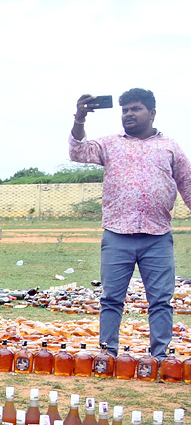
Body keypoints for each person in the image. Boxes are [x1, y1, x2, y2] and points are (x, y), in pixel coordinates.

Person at [70, 88, 191, 360]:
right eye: (125, 110)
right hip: (117, 235)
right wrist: (80, 118)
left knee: (161, 300)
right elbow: (78, 151)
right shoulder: (111, 144)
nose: (128, 114)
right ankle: (107, 354)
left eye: (135, 109)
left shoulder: (170, 146)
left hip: (158, 236)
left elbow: (187, 183)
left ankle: (160, 357)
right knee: (111, 299)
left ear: (152, 113)